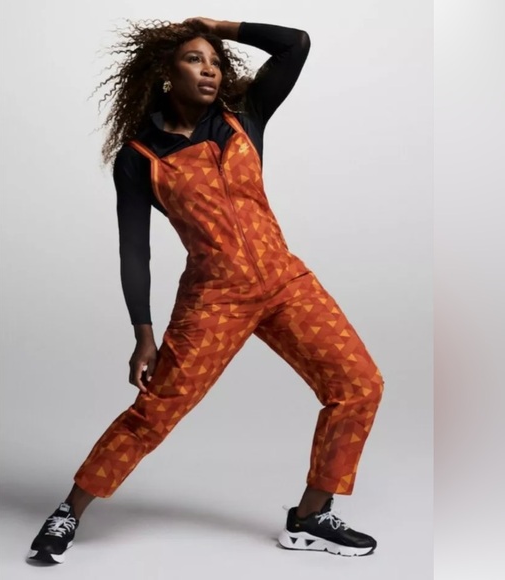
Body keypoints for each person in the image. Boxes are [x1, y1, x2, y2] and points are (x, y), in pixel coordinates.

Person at [27, 16, 385, 564]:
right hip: (215, 298)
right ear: (166, 72)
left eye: (216, 61)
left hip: (285, 281)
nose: (210, 70)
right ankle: (69, 511)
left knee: (359, 385)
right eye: (195, 59)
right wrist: (143, 334)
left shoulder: (244, 116)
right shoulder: (140, 156)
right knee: (156, 411)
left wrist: (216, 26)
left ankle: (311, 517)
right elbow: (134, 250)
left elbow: (296, 44)